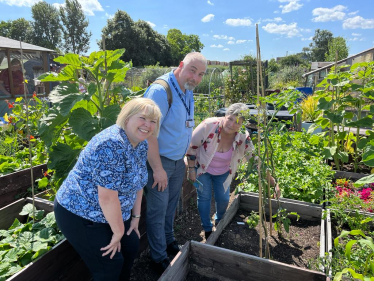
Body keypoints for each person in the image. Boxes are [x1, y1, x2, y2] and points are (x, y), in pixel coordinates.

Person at [54, 98, 162, 281]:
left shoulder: (141, 143)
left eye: (153, 121)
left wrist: (135, 218)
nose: (148, 125)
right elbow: (107, 198)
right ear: (127, 118)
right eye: (143, 118)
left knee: (131, 245)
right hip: (82, 212)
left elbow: (137, 184)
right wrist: (118, 232)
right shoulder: (111, 144)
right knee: (110, 264)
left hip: (113, 211)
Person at [143, 52, 207, 274]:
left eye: (201, 74)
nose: (196, 78)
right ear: (181, 65)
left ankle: (169, 242)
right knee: (157, 211)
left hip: (176, 161)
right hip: (159, 162)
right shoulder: (161, 91)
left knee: (170, 207)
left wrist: (185, 159)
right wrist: (158, 169)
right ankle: (158, 257)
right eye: (192, 70)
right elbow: (149, 133)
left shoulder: (187, 90)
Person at [186, 103, 281, 239]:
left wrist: (273, 183)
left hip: (224, 171)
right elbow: (192, 146)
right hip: (202, 168)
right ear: (225, 115)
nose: (231, 124)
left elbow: (255, 161)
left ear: (242, 124)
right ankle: (207, 228)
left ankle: (219, 221)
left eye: (237, 122)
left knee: (224, 199)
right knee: (204, 198)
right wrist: (191, 169)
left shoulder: (243, 137)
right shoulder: (208, 126)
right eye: (230, 118)